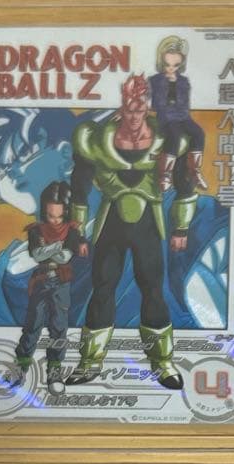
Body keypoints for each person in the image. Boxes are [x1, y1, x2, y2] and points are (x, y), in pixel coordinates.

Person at [68, 74, 197, 388]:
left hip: (149, 224)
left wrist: (181, 227)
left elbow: (185, 183)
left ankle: (162, 362)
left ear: (148, 106)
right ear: (122, 106)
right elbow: (80, 186)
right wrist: (78, 232)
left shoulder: (169, 138)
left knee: (153, 290)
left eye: (141, 106)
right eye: (130, 106)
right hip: (110, 224)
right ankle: (89, 361)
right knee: (103, 290)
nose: (135, 113)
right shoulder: (95, 139)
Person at [3, 180, 87, 393]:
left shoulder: (72, 231)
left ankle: (54, 371)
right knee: (32, 326)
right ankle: (20, 368)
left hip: (61, 283)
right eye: (50, 215)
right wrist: (57, 247)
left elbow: (65, 256)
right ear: (44, 211)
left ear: (65, 212)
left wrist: (49, 249)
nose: (55, 220)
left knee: (59, 328)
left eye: (59, 216)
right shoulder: (36, 230)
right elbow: (37, 255)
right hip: (40, 282)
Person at [149, 35, 208, 193]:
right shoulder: (155, 80)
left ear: (181, 63)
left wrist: (180, 112)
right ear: (161, 61)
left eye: (175, 65)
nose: (171, 68)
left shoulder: (183, 81)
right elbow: (155, 103)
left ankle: (195, 171)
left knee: (199, 133)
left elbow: (185, 103)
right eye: (167, 64)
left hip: (183, 116)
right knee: (174, 135)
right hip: (166, 118)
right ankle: (165, 174)